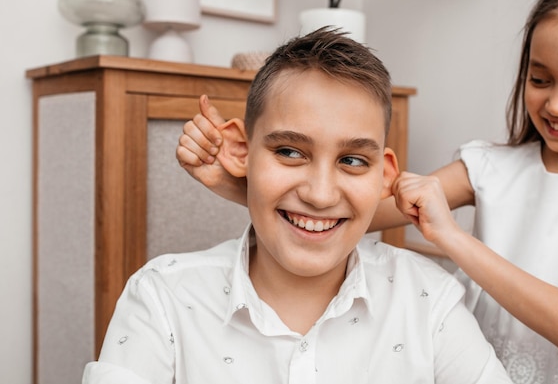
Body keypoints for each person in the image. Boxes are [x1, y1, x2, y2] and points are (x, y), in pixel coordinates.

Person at [175, 0, 558, 384]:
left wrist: (453, 239)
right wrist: (236, 182)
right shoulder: (489, 167)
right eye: (540, 78)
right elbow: (343, 211)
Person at [83, 28, 511, 384]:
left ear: (384, 175)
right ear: (240, 151)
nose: (320, 194)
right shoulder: (163, 297)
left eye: (351, 161)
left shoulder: (428, 301)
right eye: (290, 152)